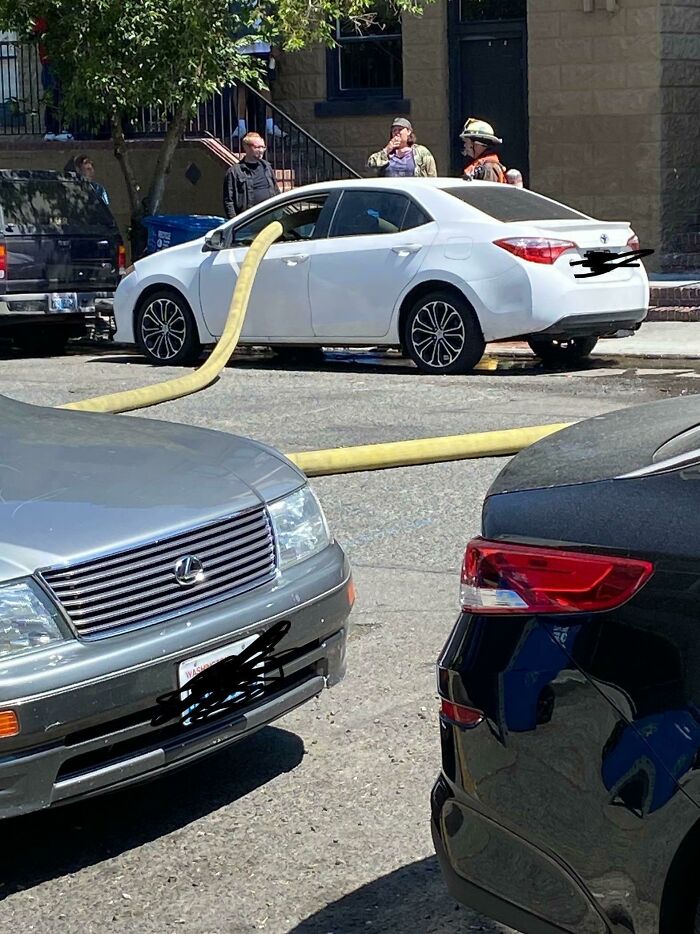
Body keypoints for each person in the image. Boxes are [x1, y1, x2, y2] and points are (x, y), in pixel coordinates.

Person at [223, 131, 280, 219]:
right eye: (257, 147)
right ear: (246, 148)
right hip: (249, 221)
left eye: (263, 147)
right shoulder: (235, 172)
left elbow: (276, 190)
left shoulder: (267, 167)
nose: (261, 150)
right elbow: (229, 201)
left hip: (270, 218)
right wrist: (235, 223)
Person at [367, 118, 437, 178]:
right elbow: (370, 164)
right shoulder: (388, 153)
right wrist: (387, 150)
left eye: (400, 129)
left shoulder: (422, 152)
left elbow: (432, 176)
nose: (397, 132)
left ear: (408, 132)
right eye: (394, 130)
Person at [460, 118, 507, 183]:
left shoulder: (489, 167)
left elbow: (488, 192)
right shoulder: (484, 166)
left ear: (477, 144)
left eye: (466, 142)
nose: (465, 146)